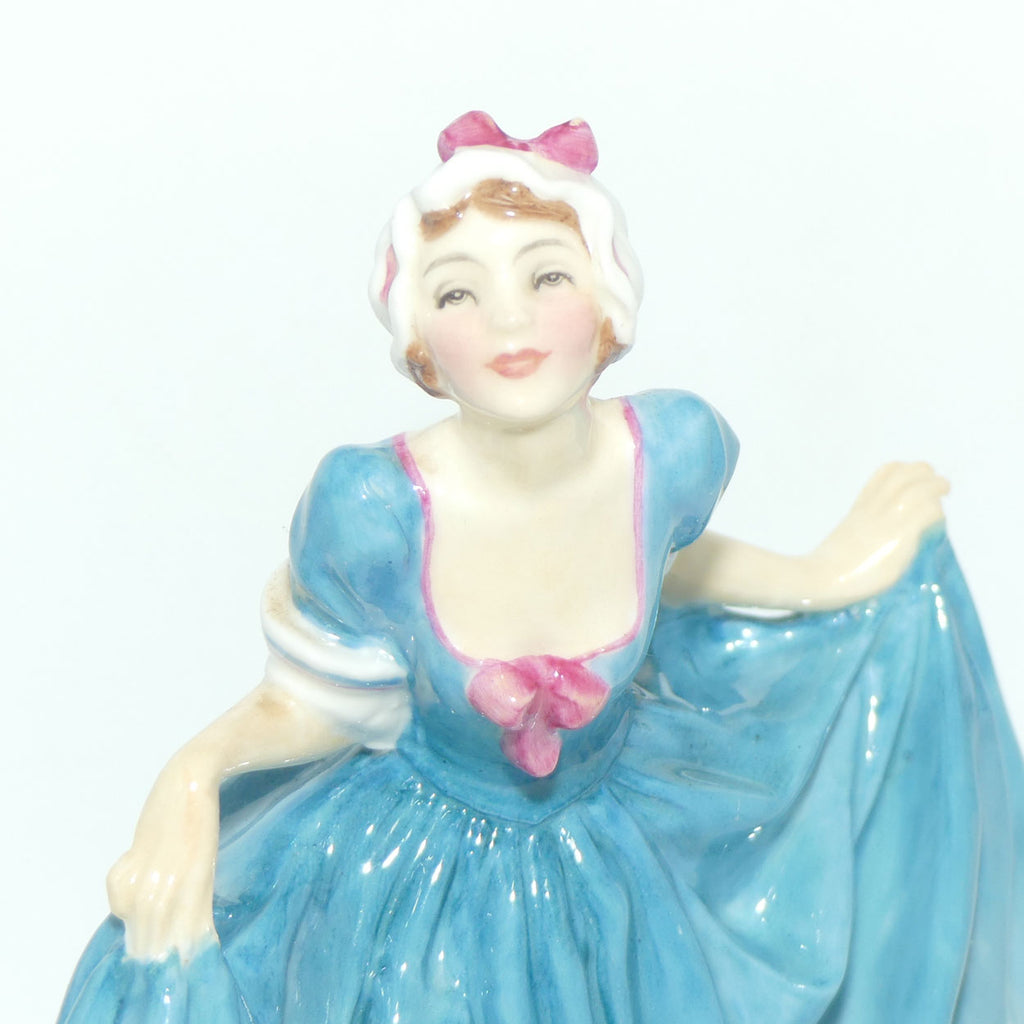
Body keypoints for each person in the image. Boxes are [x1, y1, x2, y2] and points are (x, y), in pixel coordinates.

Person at [58, 112, 1023, 1023]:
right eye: (458, 293)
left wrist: (826, 576)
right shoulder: (375, 510)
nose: (508, 322)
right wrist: (192, 775)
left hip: (613, 856)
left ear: (606, 304)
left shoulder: (668, 451)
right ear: (420, 342)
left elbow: (670, 566)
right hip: (421, 873)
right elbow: (321, 700)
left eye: (547, 277)